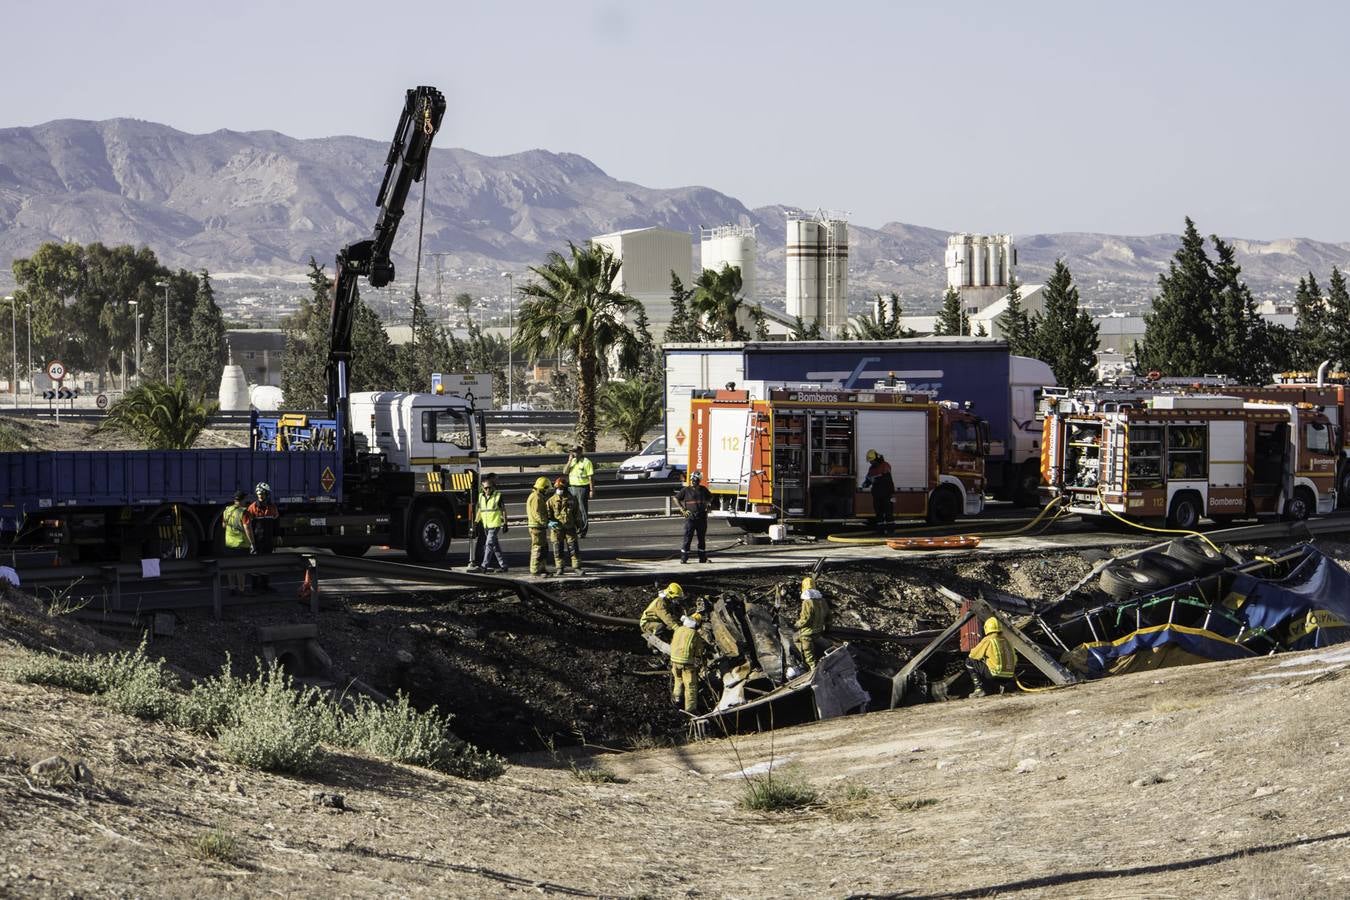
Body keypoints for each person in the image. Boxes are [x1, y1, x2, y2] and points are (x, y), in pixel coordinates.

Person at [966, 616, 1017, 696]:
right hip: (1009, 675)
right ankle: (1001, 686)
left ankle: (978, 689)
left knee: (969, 661)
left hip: (996, 673)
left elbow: (973, 655)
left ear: (987, 628)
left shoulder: (988, 639)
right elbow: (1015, 659)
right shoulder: (1007, 641)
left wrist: (984, 656)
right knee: (991, 667)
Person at [243, 482, 280, 593]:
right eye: (260, 494)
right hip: (257, 541)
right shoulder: (252, 508)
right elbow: (247, 526)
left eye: (263, 494)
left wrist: (277, 535)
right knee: (255, 564)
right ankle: (255, 587)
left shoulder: (272, 507)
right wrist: (252, 543)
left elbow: (276, 522)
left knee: (267, 563)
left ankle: (265, 585)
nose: (261, 496)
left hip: (268, 540)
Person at [469, 473, 509, 573]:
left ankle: (484, 566)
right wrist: (475, 523)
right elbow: (480, 511)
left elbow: (503, 510)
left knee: (488, 544)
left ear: (492, 487)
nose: (488, 490)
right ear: (483, 488)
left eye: (489, 488)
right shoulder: (481, 497)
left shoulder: (497, 496)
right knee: (495, 546)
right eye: (486, 488)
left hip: (495, 524)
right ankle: (503, 566)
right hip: (486, 525)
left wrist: (505, 523)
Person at [669, 611, 707, 714]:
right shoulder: (694, 634)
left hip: (674, 660)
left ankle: (677, 698)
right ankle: (690, 709)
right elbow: (699, 650)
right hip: (686, 663)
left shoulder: (678, 629)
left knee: (678, 679)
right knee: (691, 686)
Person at [674, 471, 714, 563]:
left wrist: (707, 504)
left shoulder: (703, 489)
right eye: (692, 480)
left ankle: (702, 558)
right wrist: (682, 509)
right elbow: (676, 498)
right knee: (687, 538)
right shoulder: (686, 490)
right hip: (690, 518)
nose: (693, 482)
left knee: (701, 539)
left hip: (702, 518)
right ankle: (684, 558)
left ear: (699, 481)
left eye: (695, 480)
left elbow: (711, 497)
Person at [546, 476, 583, 575]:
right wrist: (549, 522)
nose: (559, 490)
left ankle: (577, 567)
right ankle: (560, 568)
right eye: (558, 489)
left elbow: (577, 513)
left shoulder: (573, 499)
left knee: (574, 548)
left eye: (561, 488)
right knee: (558, 549)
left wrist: (579, 525)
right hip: (557, 529)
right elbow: (547, 515)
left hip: (570, 527)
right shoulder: (551, 501)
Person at [794, 576, 830, 670]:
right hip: (818, 632)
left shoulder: (807, 602)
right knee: (825, 646)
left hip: (807, 633)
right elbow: (829, 616)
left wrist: (797, 625)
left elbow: (805, 619)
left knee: (807, 652)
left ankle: (812, 668)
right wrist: (827, 627)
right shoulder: (822, 601)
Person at [220, 490, 251, 595]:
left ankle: (231, 588)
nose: (247, 501)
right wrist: (252, 543)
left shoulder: (227, 510)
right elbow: (247, 529)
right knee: (241, 569)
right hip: (241, 544)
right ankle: (241, 589)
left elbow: (223, 525)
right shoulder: (244, 512)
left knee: (230, 567)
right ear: (242, 500)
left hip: (229, 544)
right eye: (245, 499)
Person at [526, 476, 556, 578]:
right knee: (538, 549)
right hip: (536, 527)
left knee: (543, 548)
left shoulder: (537, 496)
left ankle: (541, 568)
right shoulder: (536, 497)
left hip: (539, 526)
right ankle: (535, 570)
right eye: (547, 489)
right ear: (544, 487)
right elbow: (537, 514)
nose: (548, 491)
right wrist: (546, 522)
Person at [563, 444, 594, 537]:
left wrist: (591, 490)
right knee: (572, 510)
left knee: (582, 510)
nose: (574, 453)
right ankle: (576, 529)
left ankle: (583, 530)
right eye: (572, 452)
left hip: (582, 488)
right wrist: (569, 461)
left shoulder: (586, 462)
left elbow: (591, 477)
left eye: (575, 452)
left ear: (580, 452)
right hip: (572, 487)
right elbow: (565, 472)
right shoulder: (572, 461)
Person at [861, 449, 895, 531]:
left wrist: (876, 480)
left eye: (872, 461)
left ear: (876, 459)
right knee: (878, 514)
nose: (870, 462)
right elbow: (869, 479)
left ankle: (890, 531)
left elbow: (886, 479)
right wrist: (865, 483)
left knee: (888, 513)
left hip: (887, 494)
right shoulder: (871, 469)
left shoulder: (885, 465)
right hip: (877, 494)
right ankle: (880, 530)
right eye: (870, 461)